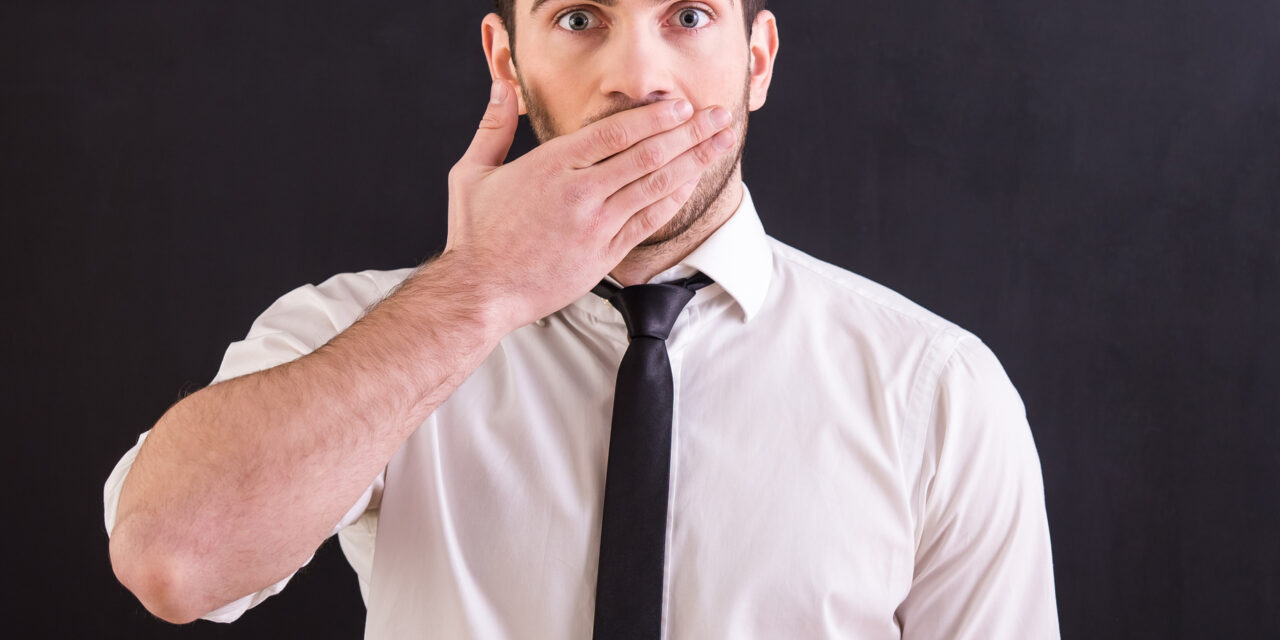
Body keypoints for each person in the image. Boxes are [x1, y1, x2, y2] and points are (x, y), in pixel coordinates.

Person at [104, 1, 1061, 637]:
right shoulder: (365, 330)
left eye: (687, 16)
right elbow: (171, 558)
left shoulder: (934, 389)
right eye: (578, 18)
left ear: (758, 60)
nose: (638, 80)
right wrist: (476, 291)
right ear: (507, 62)